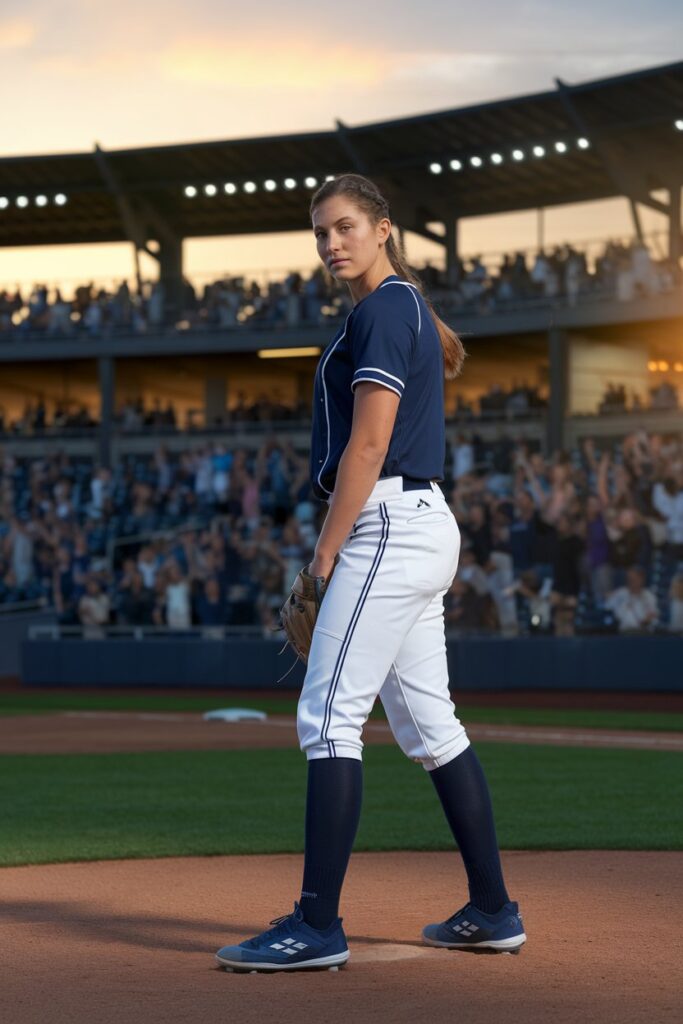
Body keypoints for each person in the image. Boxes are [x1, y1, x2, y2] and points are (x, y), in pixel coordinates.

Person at [216, 174, 525, 972]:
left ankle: (316, 925)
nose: (331, 243)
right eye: (321, 232)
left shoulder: (384, 308)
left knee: (326, 718)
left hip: (386, 523)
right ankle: (491, 909)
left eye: (346, 226)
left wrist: (320, 561)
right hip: (416, 523)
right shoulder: (398, 306)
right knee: (431, 728)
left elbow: (367, 445)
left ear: (382, 228)